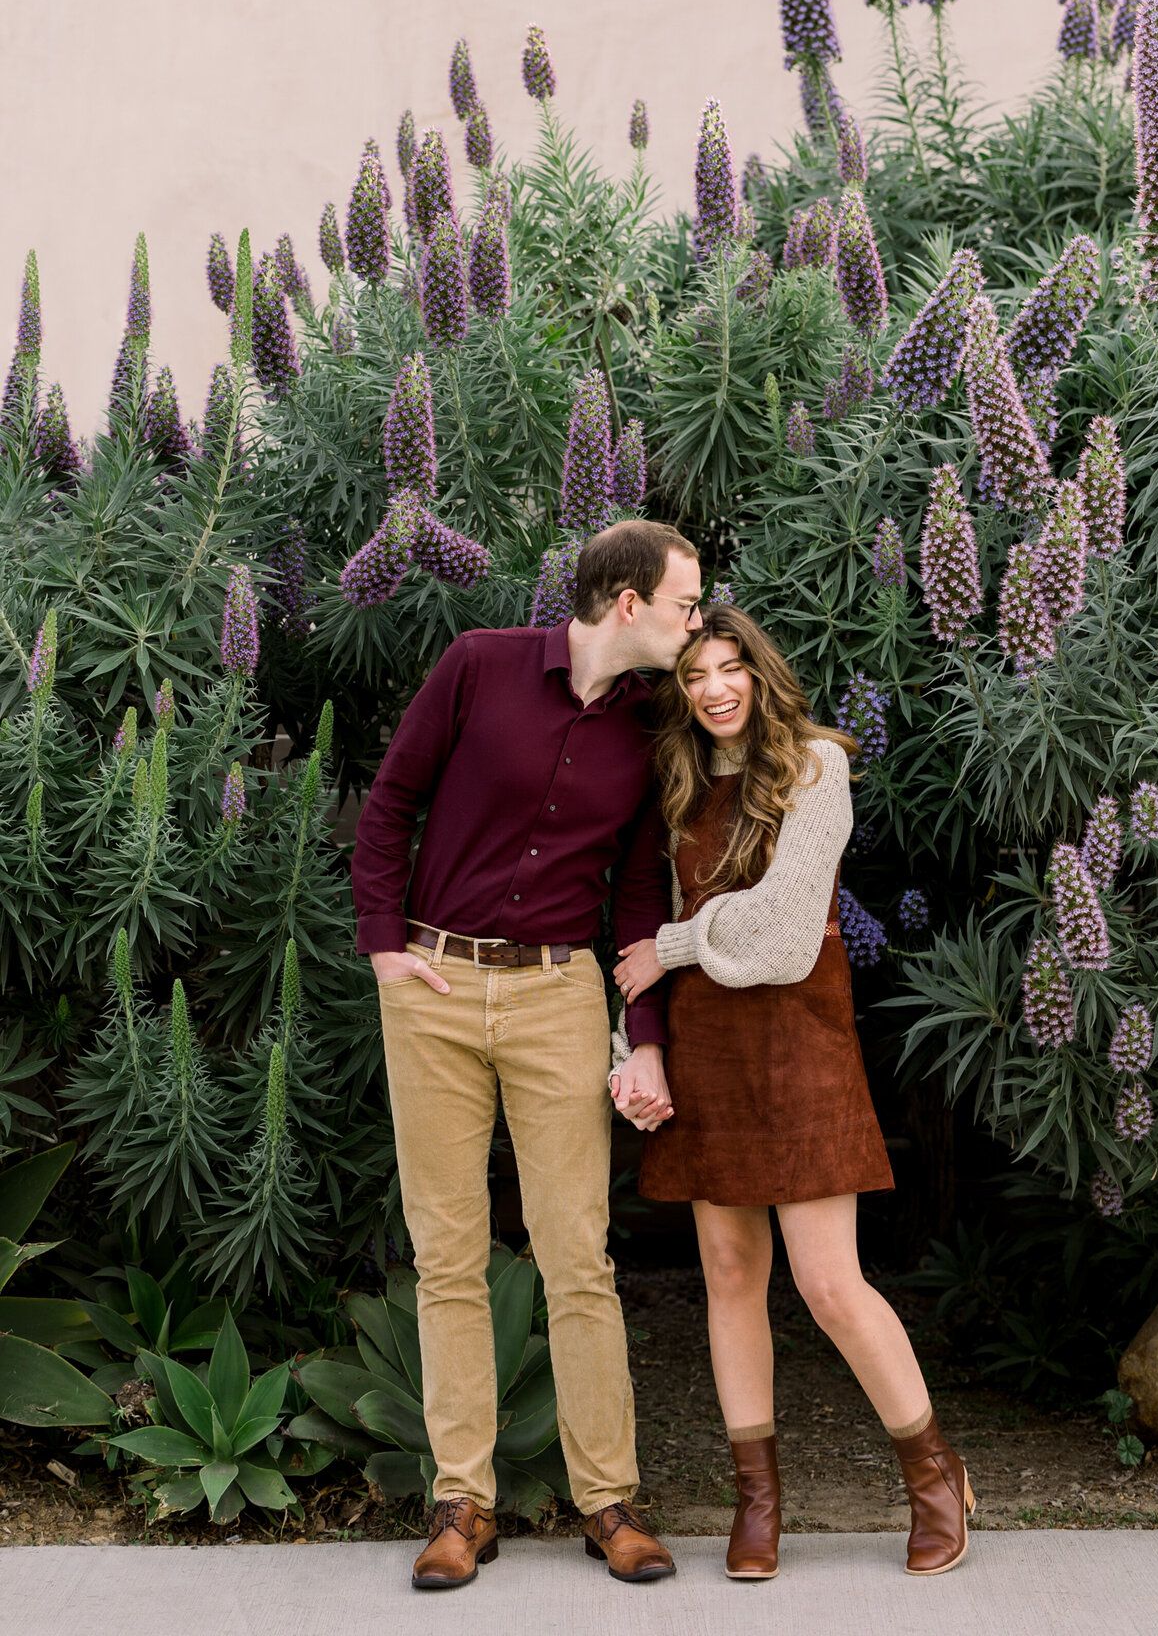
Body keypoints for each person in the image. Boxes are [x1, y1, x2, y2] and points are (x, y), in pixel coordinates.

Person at [351, 519, 701, 1591]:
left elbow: (639, 893)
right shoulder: (479, 665)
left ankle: (609, 1501)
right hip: (438, 990)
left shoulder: (653, 728)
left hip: (559, 993)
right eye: (687, 601)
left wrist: (642, 1041)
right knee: (448, 1252)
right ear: (629, 601)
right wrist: (382, 948)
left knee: (577, 1255)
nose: (697, 619)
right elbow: (390, 806)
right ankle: (463, 1504)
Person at [612, 604, 974, 1583]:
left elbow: (777, 935)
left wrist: (682, 944)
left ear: (759, 675)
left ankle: (935, 1474)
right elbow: (632, 930)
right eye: (695, 676)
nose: (716, 689)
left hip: (801, 1047)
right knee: (729, 1280)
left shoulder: (814, 766)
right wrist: (630, 1049)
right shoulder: (678, 782)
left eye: (731, 669)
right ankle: (758, 1501)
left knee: (828, 1284)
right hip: (707, 1049)